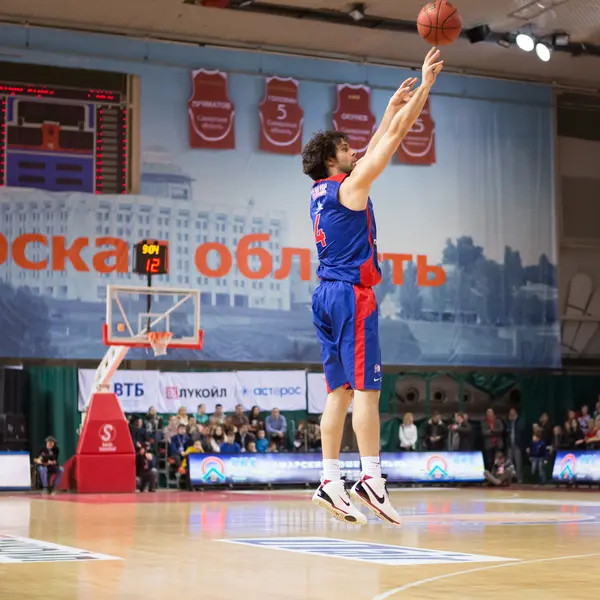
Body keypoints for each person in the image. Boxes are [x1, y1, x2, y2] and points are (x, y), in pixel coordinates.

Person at [302, 47, 444, 526]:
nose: (354, 149)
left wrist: (387, 107)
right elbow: (396, 139)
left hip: (323, 295)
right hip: (350, 296)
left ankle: (328, 480)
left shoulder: (320, 194)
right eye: (345, 148)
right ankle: (371, 478)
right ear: (331, 160)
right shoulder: (351, 188)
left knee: (337, 393)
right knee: (366, 391)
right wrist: (424, 87)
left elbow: (380, 137)